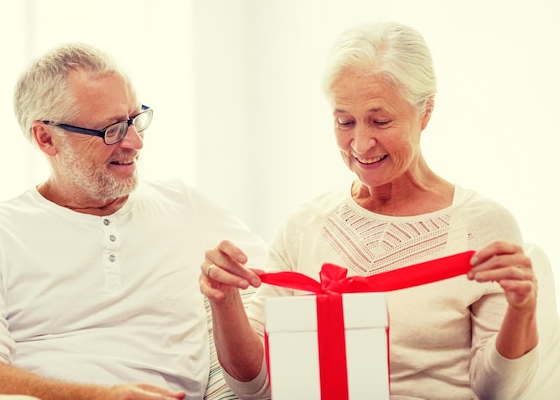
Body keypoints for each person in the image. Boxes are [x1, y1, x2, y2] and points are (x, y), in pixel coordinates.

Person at [200, 22, 541, 399]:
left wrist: (522, 310)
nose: (360, 144)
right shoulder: (304, 227)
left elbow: (498, 392)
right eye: (344, 121)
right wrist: (224, 302)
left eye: (380, 121)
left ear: (425, 111)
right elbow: (256, 389)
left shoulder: (482, 225)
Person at [0, 43, 266, 400]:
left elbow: (290, 284)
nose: (136, 142)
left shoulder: (183, 204)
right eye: (112, 129)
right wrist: (99, 397)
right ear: (46, 138)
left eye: (134, 119)